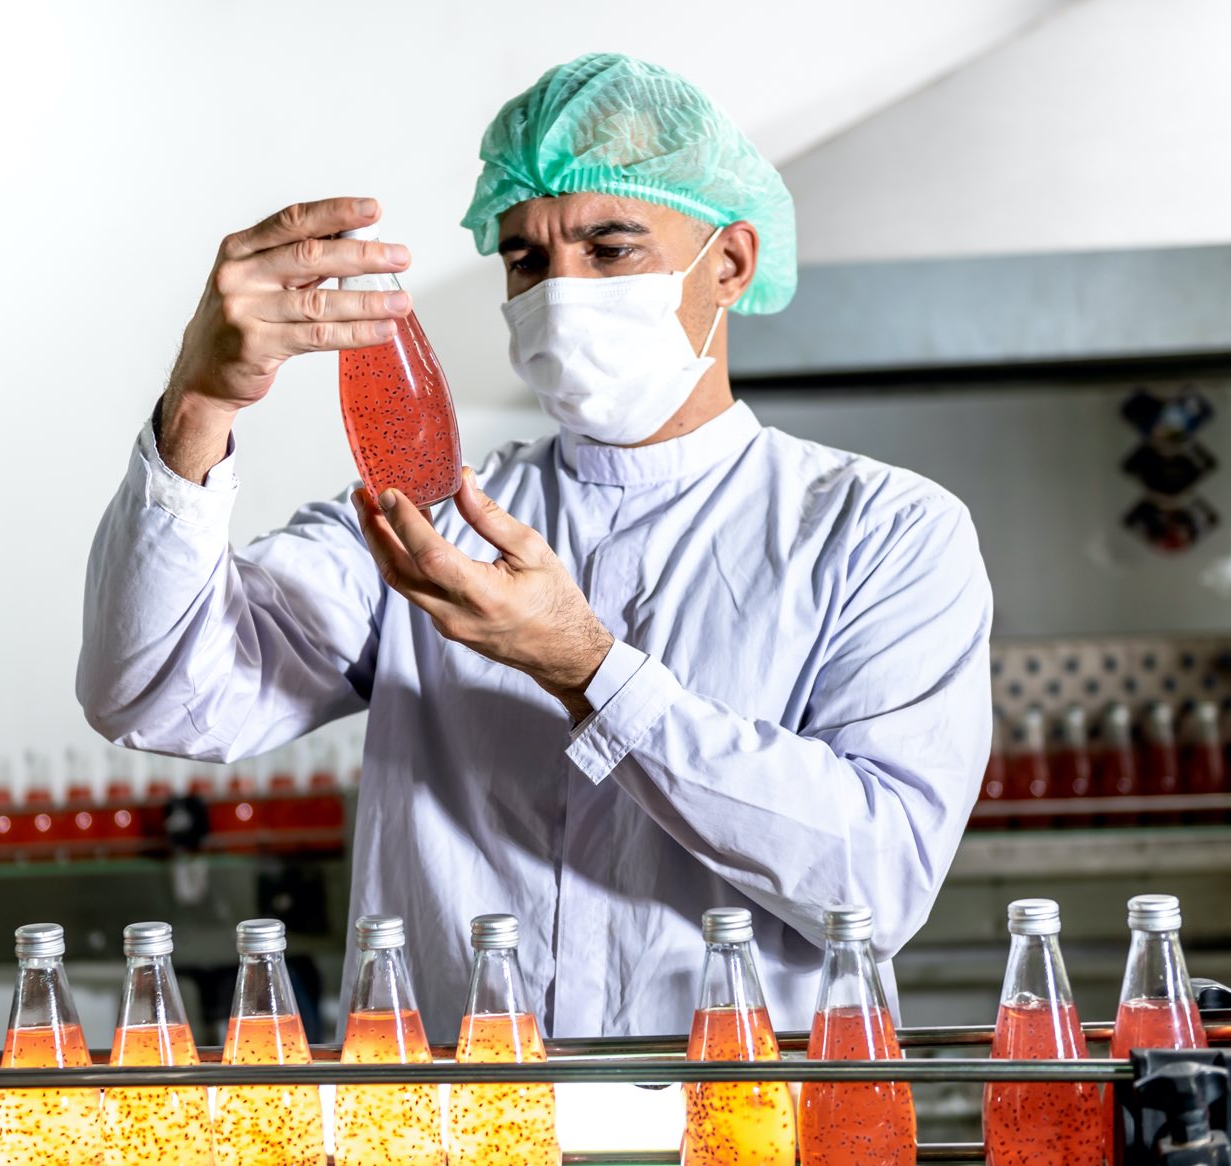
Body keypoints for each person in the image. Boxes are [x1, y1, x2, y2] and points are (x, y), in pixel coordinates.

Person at [78, 52, 992, 1040]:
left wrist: (590, 670)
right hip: (460, 1123)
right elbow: (155, 690)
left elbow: (875, 879)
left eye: (609, 249)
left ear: (727, 264)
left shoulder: (881, 532)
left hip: (739, 1123)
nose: (560, 290)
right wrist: (201, 403)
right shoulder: (431, 517)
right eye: (526, 259)